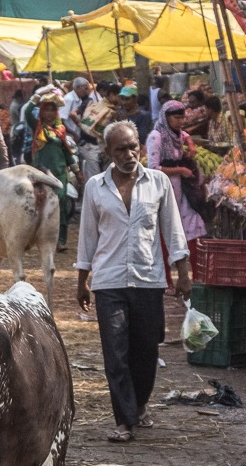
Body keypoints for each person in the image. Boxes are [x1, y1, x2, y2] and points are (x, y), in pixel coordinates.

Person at [75, 121, 192, 444]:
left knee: (144, 350)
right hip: (108, 280)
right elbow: (87, 237)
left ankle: (139, 403)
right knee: (115, 352)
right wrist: (82, 281)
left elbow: (173, 230)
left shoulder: (158, 183)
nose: (129, 154)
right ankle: (124, 420)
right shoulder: (96, 188)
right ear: (108, 152)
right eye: (120, 149)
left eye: (132, 147)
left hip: (148, 279)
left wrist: (183, 273)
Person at [147, 100, 207, 248]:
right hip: (164, 188)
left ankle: (194, 266)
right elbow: (153, 168)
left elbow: (184, 134)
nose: (180, 122)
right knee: (166, 227)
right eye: (176, 118)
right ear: (166, 117)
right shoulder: (156, 136)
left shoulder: (177, 134)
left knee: (193, 223)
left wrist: (190, 143)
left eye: (182, 118)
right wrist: (180, 171)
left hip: (181, 188)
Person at [29, 89, 77, 250]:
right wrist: (40, 94)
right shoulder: (36, 127)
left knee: (61, 203)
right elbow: (29, 110)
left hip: (59, 173)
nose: (49, 113)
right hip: (40, 173)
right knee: (38, 203)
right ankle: (36, 237)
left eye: (52, 110)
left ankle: (60, 240)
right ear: (41, 111)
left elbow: (67, 152)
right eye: (46, 110)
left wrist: (77, 171)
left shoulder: (61, 129)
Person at [61, 76, 104, 186]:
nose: (86, 91)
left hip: (80, 135)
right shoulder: (69, 99)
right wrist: (74, 132)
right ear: (78, 88)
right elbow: (62, 119)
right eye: (85, 88)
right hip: (71, 135)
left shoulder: (84, 99)